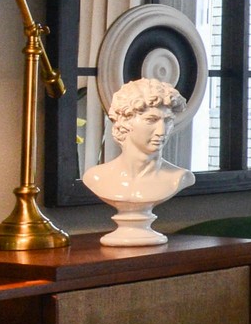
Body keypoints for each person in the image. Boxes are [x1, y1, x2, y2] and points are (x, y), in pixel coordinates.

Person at [82, 77, 193, 245]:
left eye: (168, 120)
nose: (161, 131)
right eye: (151, 120)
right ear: (125, 121)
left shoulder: (178, 178)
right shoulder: (95, 177)